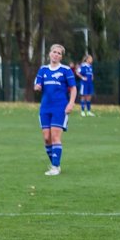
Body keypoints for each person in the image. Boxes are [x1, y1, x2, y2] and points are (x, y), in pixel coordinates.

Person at [34, 43, 78, 176]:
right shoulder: (43, 70)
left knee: (55, 136)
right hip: (45, 108)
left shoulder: (66, 70)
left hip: (60, 107)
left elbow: (74, 88)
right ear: (49, 53)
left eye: (59, 53)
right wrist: (37, 87)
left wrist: (71, 103)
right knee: (46, 138)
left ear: (61, 57)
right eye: (54, 52)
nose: (56, 54)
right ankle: (54, 162)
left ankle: (55, 166)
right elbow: (37, 83)